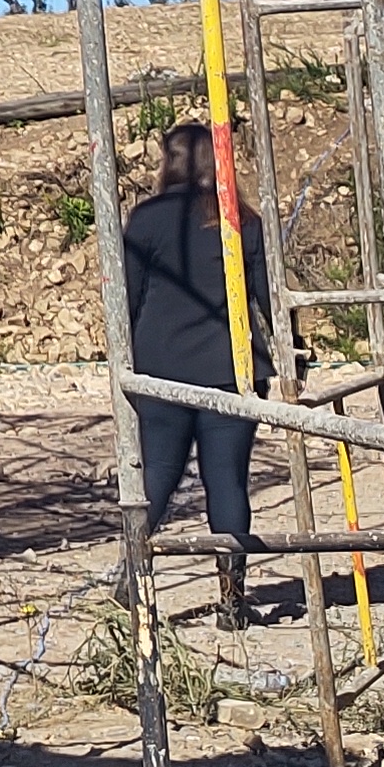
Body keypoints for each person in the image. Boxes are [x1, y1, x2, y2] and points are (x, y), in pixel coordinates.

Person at [121, 119, 275, 621]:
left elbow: (126, 297)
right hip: (230, 369)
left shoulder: (146, 219)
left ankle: (132, 580)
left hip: (160, 370)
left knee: (157, 478)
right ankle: (233, 599)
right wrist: (291, 354)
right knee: (227, 481)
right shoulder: (240, 219)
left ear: (170, 162)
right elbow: (267, 300)